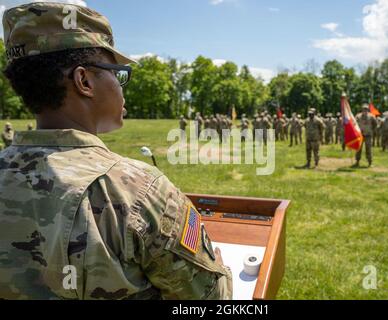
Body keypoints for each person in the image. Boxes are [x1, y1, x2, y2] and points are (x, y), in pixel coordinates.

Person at [0, 2, 232, 300]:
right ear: (84, 81)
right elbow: (212, 299)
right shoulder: (138, 190)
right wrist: (220, 268)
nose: (122, 88)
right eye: (117, 73)